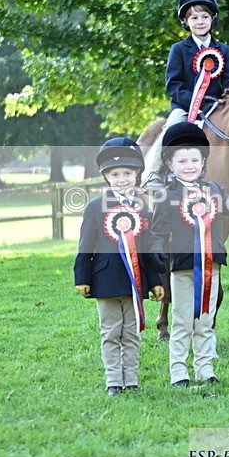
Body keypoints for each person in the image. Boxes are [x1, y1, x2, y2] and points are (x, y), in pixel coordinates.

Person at [148, 122, 229, 387]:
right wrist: (157, 248)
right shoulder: (166, 195)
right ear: (170, 165)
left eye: (195, 160)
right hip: (183, 267)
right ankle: (179, 371)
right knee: (183, 320)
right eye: (182, 161)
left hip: (211, 266)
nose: (189, 165)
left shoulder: (215, 190)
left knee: (205, 320)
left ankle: (205, 367)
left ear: (203, 162)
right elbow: (158, 230)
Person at [74, 137, 165, 395]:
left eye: (127, 173)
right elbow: (85, 246)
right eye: (115, 174)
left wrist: (156, 281)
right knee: (111, 332)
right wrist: (82, 277)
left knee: (132, 333)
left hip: (135, 283)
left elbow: (146, 250)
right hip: (104, 281)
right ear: (106, 177)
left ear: (137, 175)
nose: (122, 179)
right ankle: (114, 381)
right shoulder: (94, 208)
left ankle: (131, 380)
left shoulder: (143, 210)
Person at [143, 0, 229, 188]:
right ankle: (154, 173)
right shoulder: (178, 49)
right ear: (186, 22)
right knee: (171, 126)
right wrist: (196, 101)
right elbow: (173, 85)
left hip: (216, 107)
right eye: (194, 18)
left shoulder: (224, 50)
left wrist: (222, 102)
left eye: (204, 16)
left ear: (212, 18)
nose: (200, 22)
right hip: (185, 107)